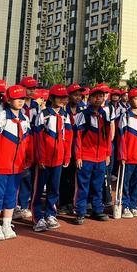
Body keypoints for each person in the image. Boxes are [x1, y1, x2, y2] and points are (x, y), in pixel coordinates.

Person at [0, 85, 33, 240]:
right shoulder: (1, 117)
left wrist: (28, 159)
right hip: (0, 166)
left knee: (12, 195)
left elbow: (28, 142)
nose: (20, 101)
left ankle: (6, 224)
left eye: (22, 99)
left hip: (17, 167)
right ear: (9, 100)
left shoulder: (25, 119)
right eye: (16, 99)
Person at [31, 84, 73, 232]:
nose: (62, 100)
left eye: (64, 97)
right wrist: (40, 158)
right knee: (38, 189)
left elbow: (68, 136)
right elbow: (37, 138)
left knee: (54, 188)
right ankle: (37, 216)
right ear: (52, 98)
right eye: (59, 97)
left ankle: (50, 213)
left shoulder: (65, 115)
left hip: (58, 159)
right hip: (44, 159)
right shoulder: (43, 114)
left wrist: (67, 155)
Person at [73, 83, 112, 224]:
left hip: (101, 157)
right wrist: (78, 156)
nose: (98, 99)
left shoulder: (105, 114)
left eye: (101, 96)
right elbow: (77, 137)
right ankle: (80, 212)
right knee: (83, 186)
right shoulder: (82, 115)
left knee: (98, 185)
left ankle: (97, 210)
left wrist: (108, 153)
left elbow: (108, 135)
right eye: (95, 96)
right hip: (86, 157)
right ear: (89, 98)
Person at [14, 76, 40, 219]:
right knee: (20, 173)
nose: (32, 91)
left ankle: (24, 204)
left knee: (29, 174)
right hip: (20, 141)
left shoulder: (36, 105)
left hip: (33, 141)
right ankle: (16, 205)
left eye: (34, 88)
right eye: (29, 88)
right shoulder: (17, 105)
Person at [59, 83, 86, 214]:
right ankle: (64, 203)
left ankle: (76, 203)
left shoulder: (83, 110)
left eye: (80, 95)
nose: (78, 97)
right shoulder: (63, 111)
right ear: (68, 96)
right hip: (66, 147)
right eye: (75, 95)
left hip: (79, 147)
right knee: (65, 176)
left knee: (77, 176)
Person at [116, 88, 137, 218]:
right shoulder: (125, 116)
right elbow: (121, 138)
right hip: (128, 156)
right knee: (124, 182)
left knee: (136, 183)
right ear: (130, 100)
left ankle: (133, 205)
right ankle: (124, 205)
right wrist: (122, 156)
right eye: (136, 98)